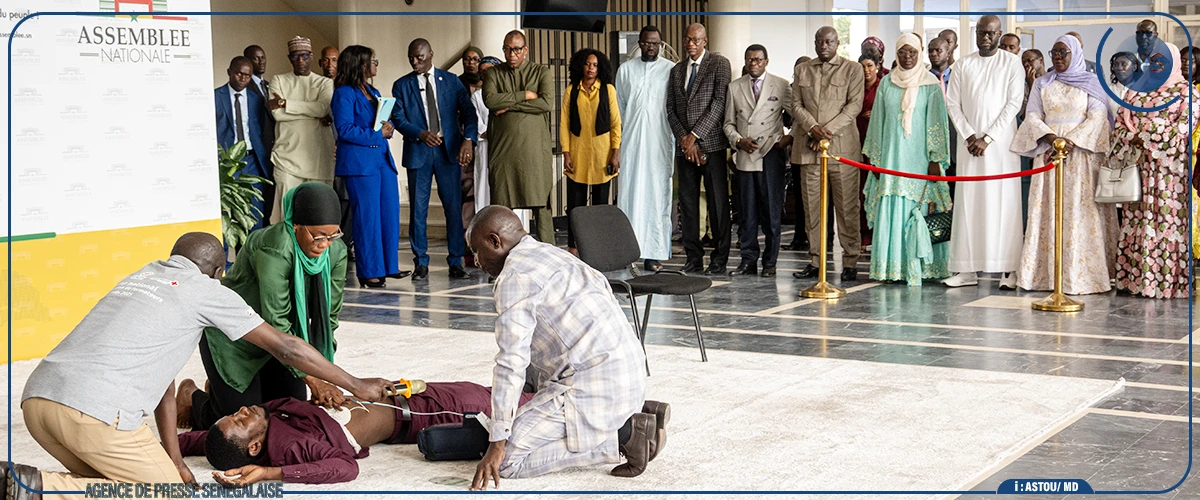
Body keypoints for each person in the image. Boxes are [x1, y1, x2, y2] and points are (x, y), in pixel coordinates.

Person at [12, 233, 391, 497]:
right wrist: (358, 386)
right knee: (166, 496)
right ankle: (34, 487)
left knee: (113, 486)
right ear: (218, 272)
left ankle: (30, 486)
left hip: (38, 402)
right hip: (93, 411)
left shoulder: (140, 277)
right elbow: (286, 348)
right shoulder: (204, 289)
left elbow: (162, 382)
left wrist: (174, 459)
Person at [466, 206, 665, 488]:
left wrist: (498, 441)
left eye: (476, 251)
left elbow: (511, 363)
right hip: (630, 378)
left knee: (508, 459)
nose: (476, 261)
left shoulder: (515, 276)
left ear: (495, 241)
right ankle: (636, 413)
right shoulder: (553, 254)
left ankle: (626, 434)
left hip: (591, 386)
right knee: (524, 424)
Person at [188, 182, 351, 431]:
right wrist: (313, 378)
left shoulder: (336, 252)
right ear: (295, 225)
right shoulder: (274, 247)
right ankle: (193, 399)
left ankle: (222, 388)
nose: (324, 244)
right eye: (317, 236)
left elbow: (329, 317)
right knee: (241, 426)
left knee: (289, 415)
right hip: (236, 337)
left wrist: (324, 375)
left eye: (332, 236)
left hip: (283, 341)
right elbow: (277, 319)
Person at [175, 382, 538, 486]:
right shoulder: (291, 446)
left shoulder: (268, 429)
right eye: (239, 421)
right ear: (255, 446)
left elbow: (198, 440)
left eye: (233, 415)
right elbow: (345, 469)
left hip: (400, 394)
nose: (241, 412)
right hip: (427, 412)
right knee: (507, 402)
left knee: (504, 393)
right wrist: (270, 474)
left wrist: (166, 449)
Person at [1011, 35, 1117, 295]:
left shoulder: (1092, 82)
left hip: (1081, 156)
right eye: (1054, 52)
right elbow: (1033, 115)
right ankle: (1045, 277)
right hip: (1050, 153)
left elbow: (1098, 116)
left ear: (1077, 54)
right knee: (1049, 210)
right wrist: (1051, 139)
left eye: (1063, 52)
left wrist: (1071, 141)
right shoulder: (1041, 83)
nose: (1057, 57)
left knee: (1080, 212)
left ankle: (1083, 277)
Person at [861, 33, 952, 286]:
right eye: (902, 52)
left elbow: (937, 123)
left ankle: (924, 268)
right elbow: (877, 122)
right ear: (896, 54)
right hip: (891, 158)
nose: (908, 56)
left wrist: (936, 159)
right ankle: (891, 268)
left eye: (912, 51)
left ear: (920, 53)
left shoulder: (930, 84)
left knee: (921, 211)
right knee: (892, 208)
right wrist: (875, 158)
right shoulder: (887, 83)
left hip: (921, 161)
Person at [942, 15, 1025, 289]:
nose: (985, 37)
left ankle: (1008, 269)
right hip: (969, 146)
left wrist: (988, 137)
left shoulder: (1012, 62)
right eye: (981, 32)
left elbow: (1013, 104)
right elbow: (953, 104)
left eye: (991, 33)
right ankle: (966, 270)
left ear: (1000, 34)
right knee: (969, 202)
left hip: (1000, 146)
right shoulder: (964, 63)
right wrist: (969, 135)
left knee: (1004, 203)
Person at [1112, 43, 1200, 298]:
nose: (1158, 65)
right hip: (1138, 168)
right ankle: (1134, 280)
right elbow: (1121, 124)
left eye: (1163, 60)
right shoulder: (1136, 91)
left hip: (1168, 173)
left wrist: (1147, 137)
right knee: (1136, 223)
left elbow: (1184, 128)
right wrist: (1133, 138)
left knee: (1165, 224)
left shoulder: (1187, 92)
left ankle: (1165, 282)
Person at [390, 38, 476, 280]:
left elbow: (468, 112)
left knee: (452, 208)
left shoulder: (450, 81)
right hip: (419, 151)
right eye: (411, 58)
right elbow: (398, 117)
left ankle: (456, 261)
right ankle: (421, 263)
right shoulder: (401, 85)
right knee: (418, 209)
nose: (415, 62)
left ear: (431, 54)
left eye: (419, 57)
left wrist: (468, 139)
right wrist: (420, 134)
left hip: (448, 151)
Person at [791, 26, 866, 282]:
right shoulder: (803, 69)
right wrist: (812, 128)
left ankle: (850, 261)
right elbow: (796, 104)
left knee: (847, 208)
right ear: (815, 43)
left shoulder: (852, 69)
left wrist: (825, 132)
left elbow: (854, 105)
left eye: (830, 41)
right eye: (820, 41)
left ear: (837, 43)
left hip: (842, 151)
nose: (824, 45)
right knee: (812, 209)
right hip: (809, 150)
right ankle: (816, 260)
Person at [332, 45, 410, 289]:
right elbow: (344, 129)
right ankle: (369, 272)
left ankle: (388, 266)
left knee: (388, 213)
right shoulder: (344, 93)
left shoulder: (372, 90)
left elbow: (379, 121)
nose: (376, 64)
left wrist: (388, 126)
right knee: (367, 218)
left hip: (382, 161)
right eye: (372, 61)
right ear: (360, 64)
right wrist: (378, 133)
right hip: (360, 164)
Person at [666, 23, 733, 276]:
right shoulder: (676, 71)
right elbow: (670, 108)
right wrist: (685, 139)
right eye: (688, 39)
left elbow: (719, 103)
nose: (691, 44)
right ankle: (693, 258)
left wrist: (695, 136)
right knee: (688, 204)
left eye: (696, 40)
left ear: (706, 41)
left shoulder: (719, 63)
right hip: (685, 148)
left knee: (717, 204)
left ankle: (719, 259)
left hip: (712, 145)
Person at [723, 44, 792, 278]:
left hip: (770, 153)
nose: (754, 63)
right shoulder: (734, 87)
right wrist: (738, 141)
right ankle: (748, 260)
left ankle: (770, 263)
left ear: (766, 61)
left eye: (758, 60)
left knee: (771, 211)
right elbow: (728, 124)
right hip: (745, 154)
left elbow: (795, 117)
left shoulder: (781, 85)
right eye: (750, 60)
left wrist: (787, 139)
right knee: (747, 212)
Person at [483, 30, 556, 244]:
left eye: (516, 49)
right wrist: (525, 95)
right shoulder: (493, 73)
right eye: (507, 49)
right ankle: (503, 253)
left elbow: (545, 103)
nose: (511, 54)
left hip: (534, 152)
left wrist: (507, 105)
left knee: (541, 204)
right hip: (503, 154)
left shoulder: (541, 72)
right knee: (501, 208)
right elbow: (490, 101)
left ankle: (549, 254)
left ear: (525, 50)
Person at [616, 25, 676, 272]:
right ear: (639, 44)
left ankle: (654, 254)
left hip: (660, 143)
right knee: (630, 196)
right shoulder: (625, 70)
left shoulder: (670, 70)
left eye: (655, 43)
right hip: (631, 144)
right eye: (647, 43)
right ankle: (628, 252)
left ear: (661, 45)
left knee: (657, 196)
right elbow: (619, 108)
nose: (651, 47)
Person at [267, 36, 336, 225]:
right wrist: (312, 111)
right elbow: (278, 115)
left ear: (312, 57)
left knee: (318, 214)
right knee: (285, 214)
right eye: (296, 56)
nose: (300, 60)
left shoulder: (324, 83)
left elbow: (323, 108)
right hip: (286, 156)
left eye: (304, 55)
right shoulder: (278, 80)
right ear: (290, 58)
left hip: (318, 157)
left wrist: (285, 103)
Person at [215, 56, 272, 232]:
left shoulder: (256, 99)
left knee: (254, 212)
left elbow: (262, 129)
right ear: (229, 73)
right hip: (226, 163)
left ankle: (251, 258)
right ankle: (223, 260)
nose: (243, 79)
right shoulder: (215, 96)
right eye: (239, 74)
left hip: (252, 160)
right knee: (225, 214)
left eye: (247, 76)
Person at [244, 45, 276, 224]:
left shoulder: (270, 86)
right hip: (256, 154)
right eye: (256, 58)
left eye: (263, 57)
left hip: (273, 152)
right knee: (256, 207)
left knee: (269, 202)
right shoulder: (245, 89)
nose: (261, 61)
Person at [1108, 51, 1138, 117]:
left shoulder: (1142, 91)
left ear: (1134, 67)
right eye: (1116, 65)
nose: (1119, 68)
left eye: (1124, 64)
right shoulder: (1106, 91)